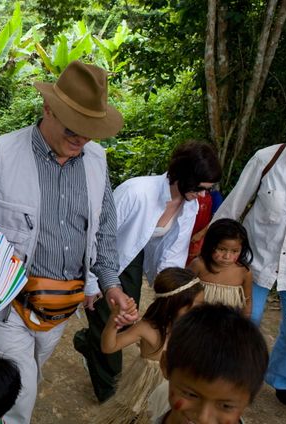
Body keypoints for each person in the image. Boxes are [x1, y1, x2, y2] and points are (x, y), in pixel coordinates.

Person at [0, 60, 137, 424]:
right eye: (73, 129)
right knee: (16, 396)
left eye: (90, 131)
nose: (81, 139)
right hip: (4, 305)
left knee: (30, 374)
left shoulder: (96, 161)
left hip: (60, 306)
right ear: (47, 108)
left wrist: (111, 284)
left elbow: (103, 231)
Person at [75, 141, 222, 402]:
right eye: (200, 188)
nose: (202, 196)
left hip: (134, 257)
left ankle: (89, 342)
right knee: (108, 318)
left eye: (207, 190)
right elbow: (95, 236)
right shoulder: (135, 192)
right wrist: (91, 282)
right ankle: (109, 393)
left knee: (128, 316)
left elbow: (173, 253)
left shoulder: (189, 205)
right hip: (104, 257)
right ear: (184, 175)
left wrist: (173, 293)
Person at [211, 98, 286, 406]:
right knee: (247, 321)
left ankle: (280, 376)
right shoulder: (267, 158)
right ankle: (236, 377)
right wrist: (211, 247)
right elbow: (235, 203)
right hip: (256, 260)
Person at [95, 267, 204, 424]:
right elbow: (108, 347)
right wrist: (113, 321)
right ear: (172, 305)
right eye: (191, 307)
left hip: (177, 389)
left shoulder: (195, 329)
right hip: (144, 390)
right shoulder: (147, 328)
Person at [150, 303, 269, 424]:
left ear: (249, 399)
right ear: (165, 365)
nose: (203, 418)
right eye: (190, 394)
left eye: (226, 406)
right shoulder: (161, 396)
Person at [187, 218, 253, 316]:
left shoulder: (244, 272)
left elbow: (247, 301)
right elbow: (183, 293)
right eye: (221, 249)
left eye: (234, 251)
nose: (227, 256)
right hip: (197, 322)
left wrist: (243, 326)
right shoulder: (198, 265)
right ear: (210, 245)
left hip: (227, 325)